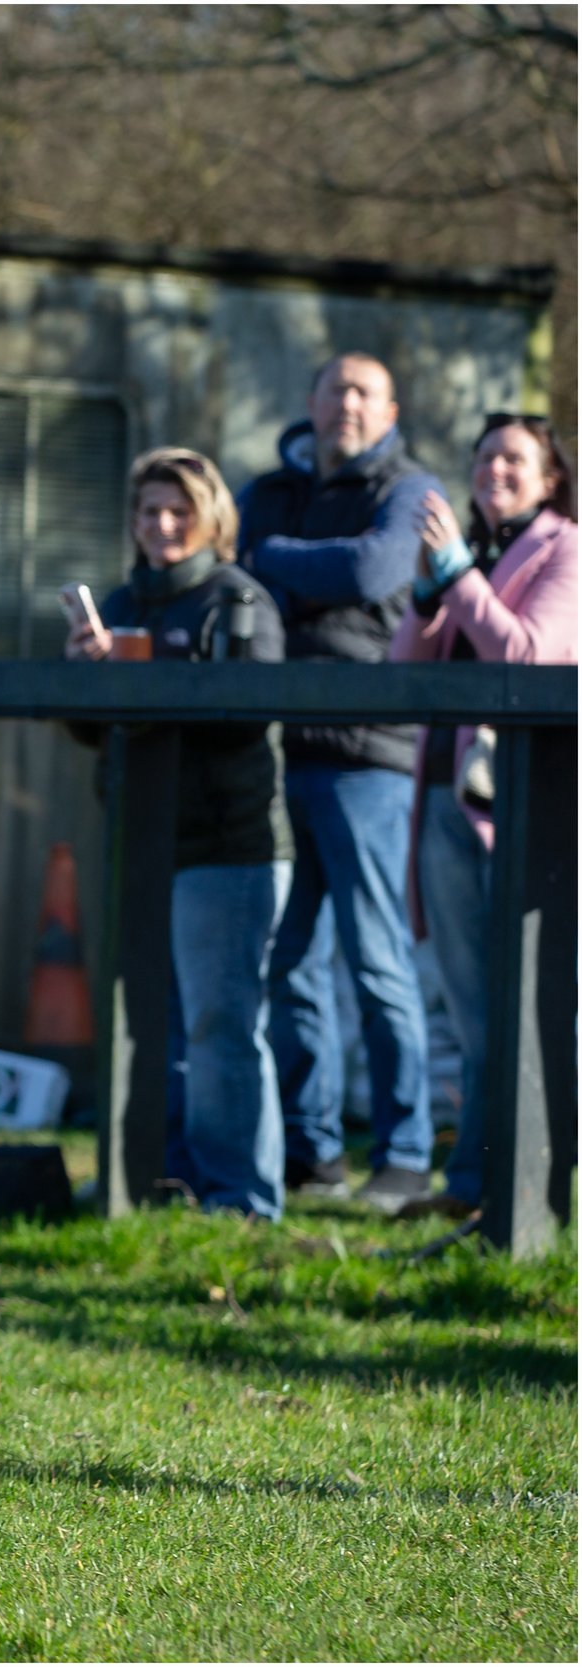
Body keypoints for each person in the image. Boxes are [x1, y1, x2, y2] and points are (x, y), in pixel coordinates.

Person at [237, 352, 443, 1213]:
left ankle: (403, 1155)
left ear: (390, 407)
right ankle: (314, 1152)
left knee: (378, 960)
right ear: (311, 400)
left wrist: (282, 560)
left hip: (371, 757)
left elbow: (374, 572)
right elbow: (236, 570)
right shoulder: (268, 488)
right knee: (288, 964)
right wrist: (295, 564)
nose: (348, 404)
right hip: (282, 754)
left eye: (365, 392)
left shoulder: (411, 490)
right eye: (335, 388)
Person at [65, 449, 292, 1217]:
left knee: (220, 1025)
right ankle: (153, 1176)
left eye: (177, 510)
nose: (160, 525)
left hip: (227, 848)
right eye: (147, 511)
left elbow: (245, 714)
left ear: (210, 519)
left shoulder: (242, 598)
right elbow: (94, 731)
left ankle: (241, 1195)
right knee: (142, 1023)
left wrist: (151, 664)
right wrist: (85, 675)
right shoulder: (125, 600)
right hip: (141, 840)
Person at [391, 415, 577, 1220]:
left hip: (522, 808)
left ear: (549, 479)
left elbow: (529, 655)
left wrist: (461, 575)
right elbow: (406, 672)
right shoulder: (464, 556)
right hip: (439, 797)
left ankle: (533, 1187)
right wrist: (431, 592)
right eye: (484, 456)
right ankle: (474, 1183)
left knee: (528, 1003)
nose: (494, 469)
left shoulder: (566, 548)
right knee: (472, 1011)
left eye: (514, 458)